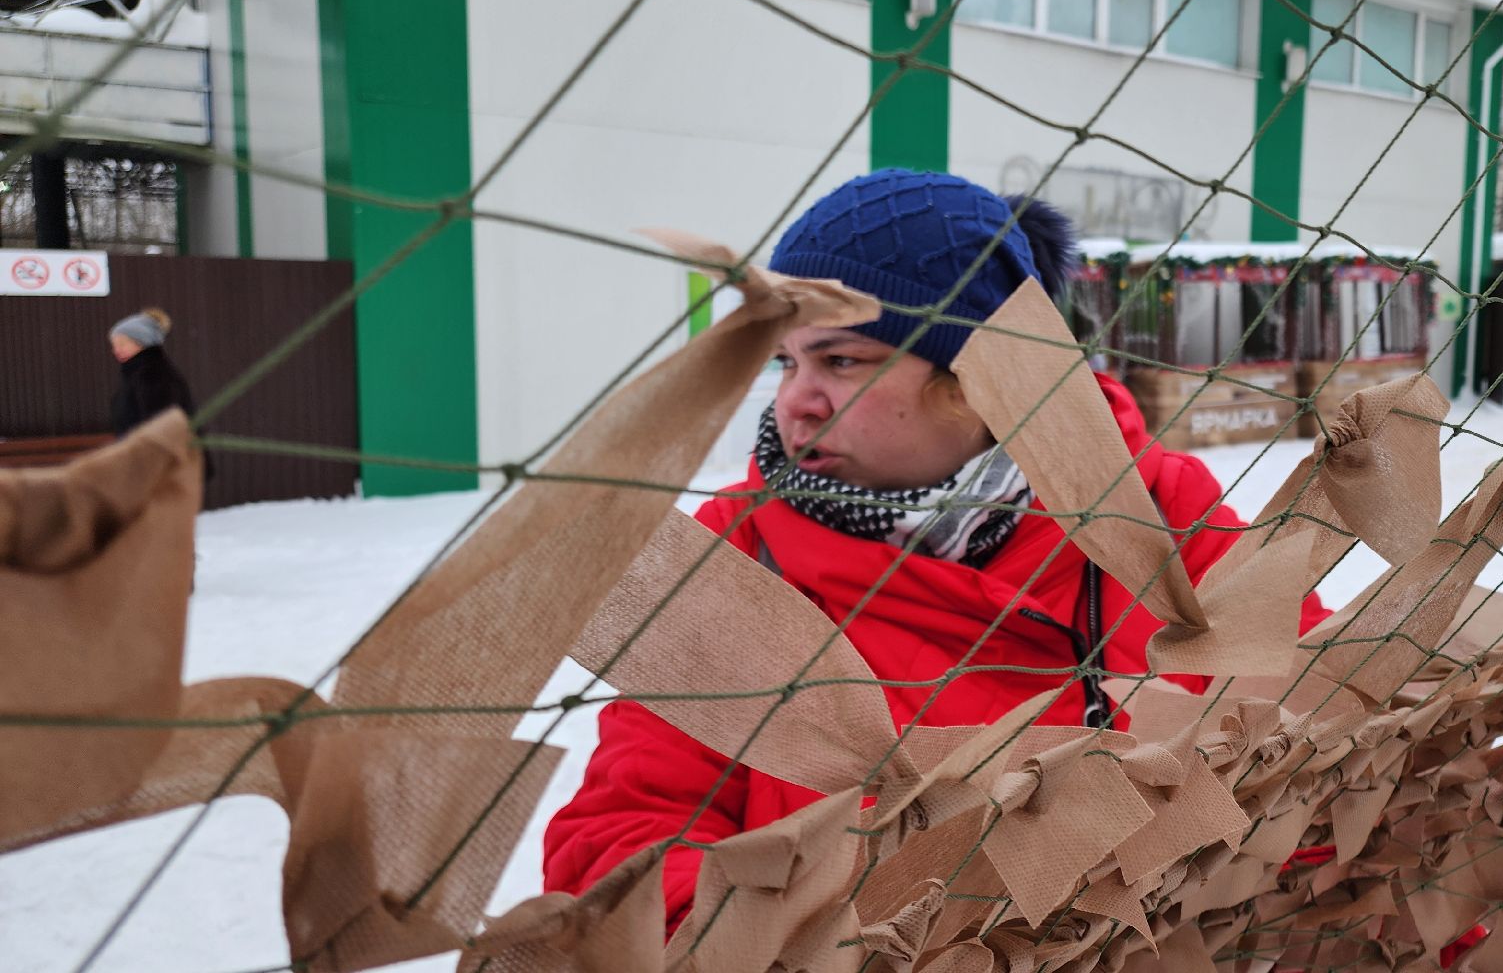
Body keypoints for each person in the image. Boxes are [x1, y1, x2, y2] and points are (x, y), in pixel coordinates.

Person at [543, 169, 1332, 929]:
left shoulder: (1158, 511)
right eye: (788, 360)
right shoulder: (737, 556)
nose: (794, 401)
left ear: (980, 379)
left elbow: (1312, 743)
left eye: (841, 361)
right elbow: (631, 834)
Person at [109, 307, 197, 437]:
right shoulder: (135, 375)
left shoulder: (153, 376)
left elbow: (160, 428)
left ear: (142, 342)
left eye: (122, 344)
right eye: (114, 345)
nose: (116, 350)